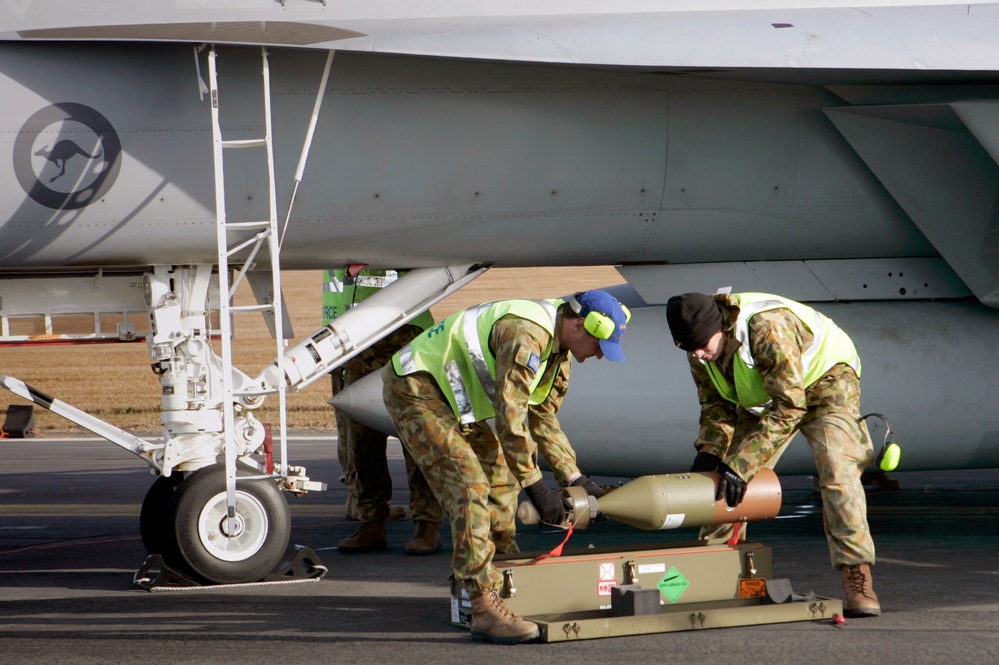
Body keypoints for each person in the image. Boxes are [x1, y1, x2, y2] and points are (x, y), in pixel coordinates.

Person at [383, 290, 628, 644]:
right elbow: (511, 419)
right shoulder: (525, 335)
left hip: (453, 400)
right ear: (578, 325)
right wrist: (537, 487)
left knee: (500, 479)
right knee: (469, 488)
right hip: (416, 388)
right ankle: (483, 605)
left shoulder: (560, 351)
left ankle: (507, 577)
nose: (601, 355)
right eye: (599, 344)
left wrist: (574, 477)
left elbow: (543, 417)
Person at [665, 291, 880, 618]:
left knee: (838, 474)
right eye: (687, 348)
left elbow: (790, 408)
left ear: (719, 327)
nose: (697, 354)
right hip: (769, 398)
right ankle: (712, 569)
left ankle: (857, 574)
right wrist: (710, 453)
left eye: (702, 345)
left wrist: (741, 466)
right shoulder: (697, 348)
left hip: (826, 385)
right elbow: (716, 406)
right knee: (724, 482)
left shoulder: (767, 329)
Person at [323, 267, 444, 556]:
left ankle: (427, 525)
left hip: (406, 331)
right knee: (361, 443)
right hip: (359, 336)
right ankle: (372, 523)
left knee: (417, 438)